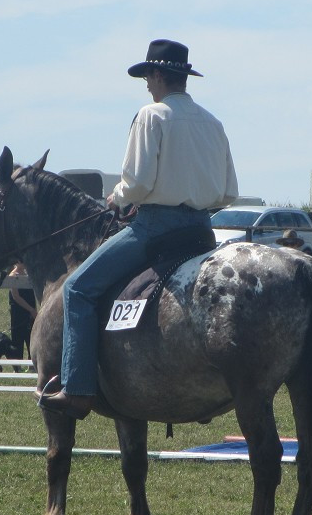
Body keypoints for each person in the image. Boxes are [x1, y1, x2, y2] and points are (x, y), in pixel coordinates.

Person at [39, 39, 239, 419]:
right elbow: (229, 192)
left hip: (155, 229)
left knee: (78, 289)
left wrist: (116, 197)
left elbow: (138, 183)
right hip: (201, 231)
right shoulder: (214, 123)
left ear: (160, 74)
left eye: (148, 76)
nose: (147, 84)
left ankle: (77, 388)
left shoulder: (152, 115)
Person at [8, 261, 37, 361]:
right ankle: (17, 365)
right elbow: (16, 297)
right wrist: (30, 309)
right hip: (19, 311)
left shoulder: (28, 274)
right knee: (17, 338)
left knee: (31, 337)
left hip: (31, 311)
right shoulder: (12, 275)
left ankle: (31, 362)